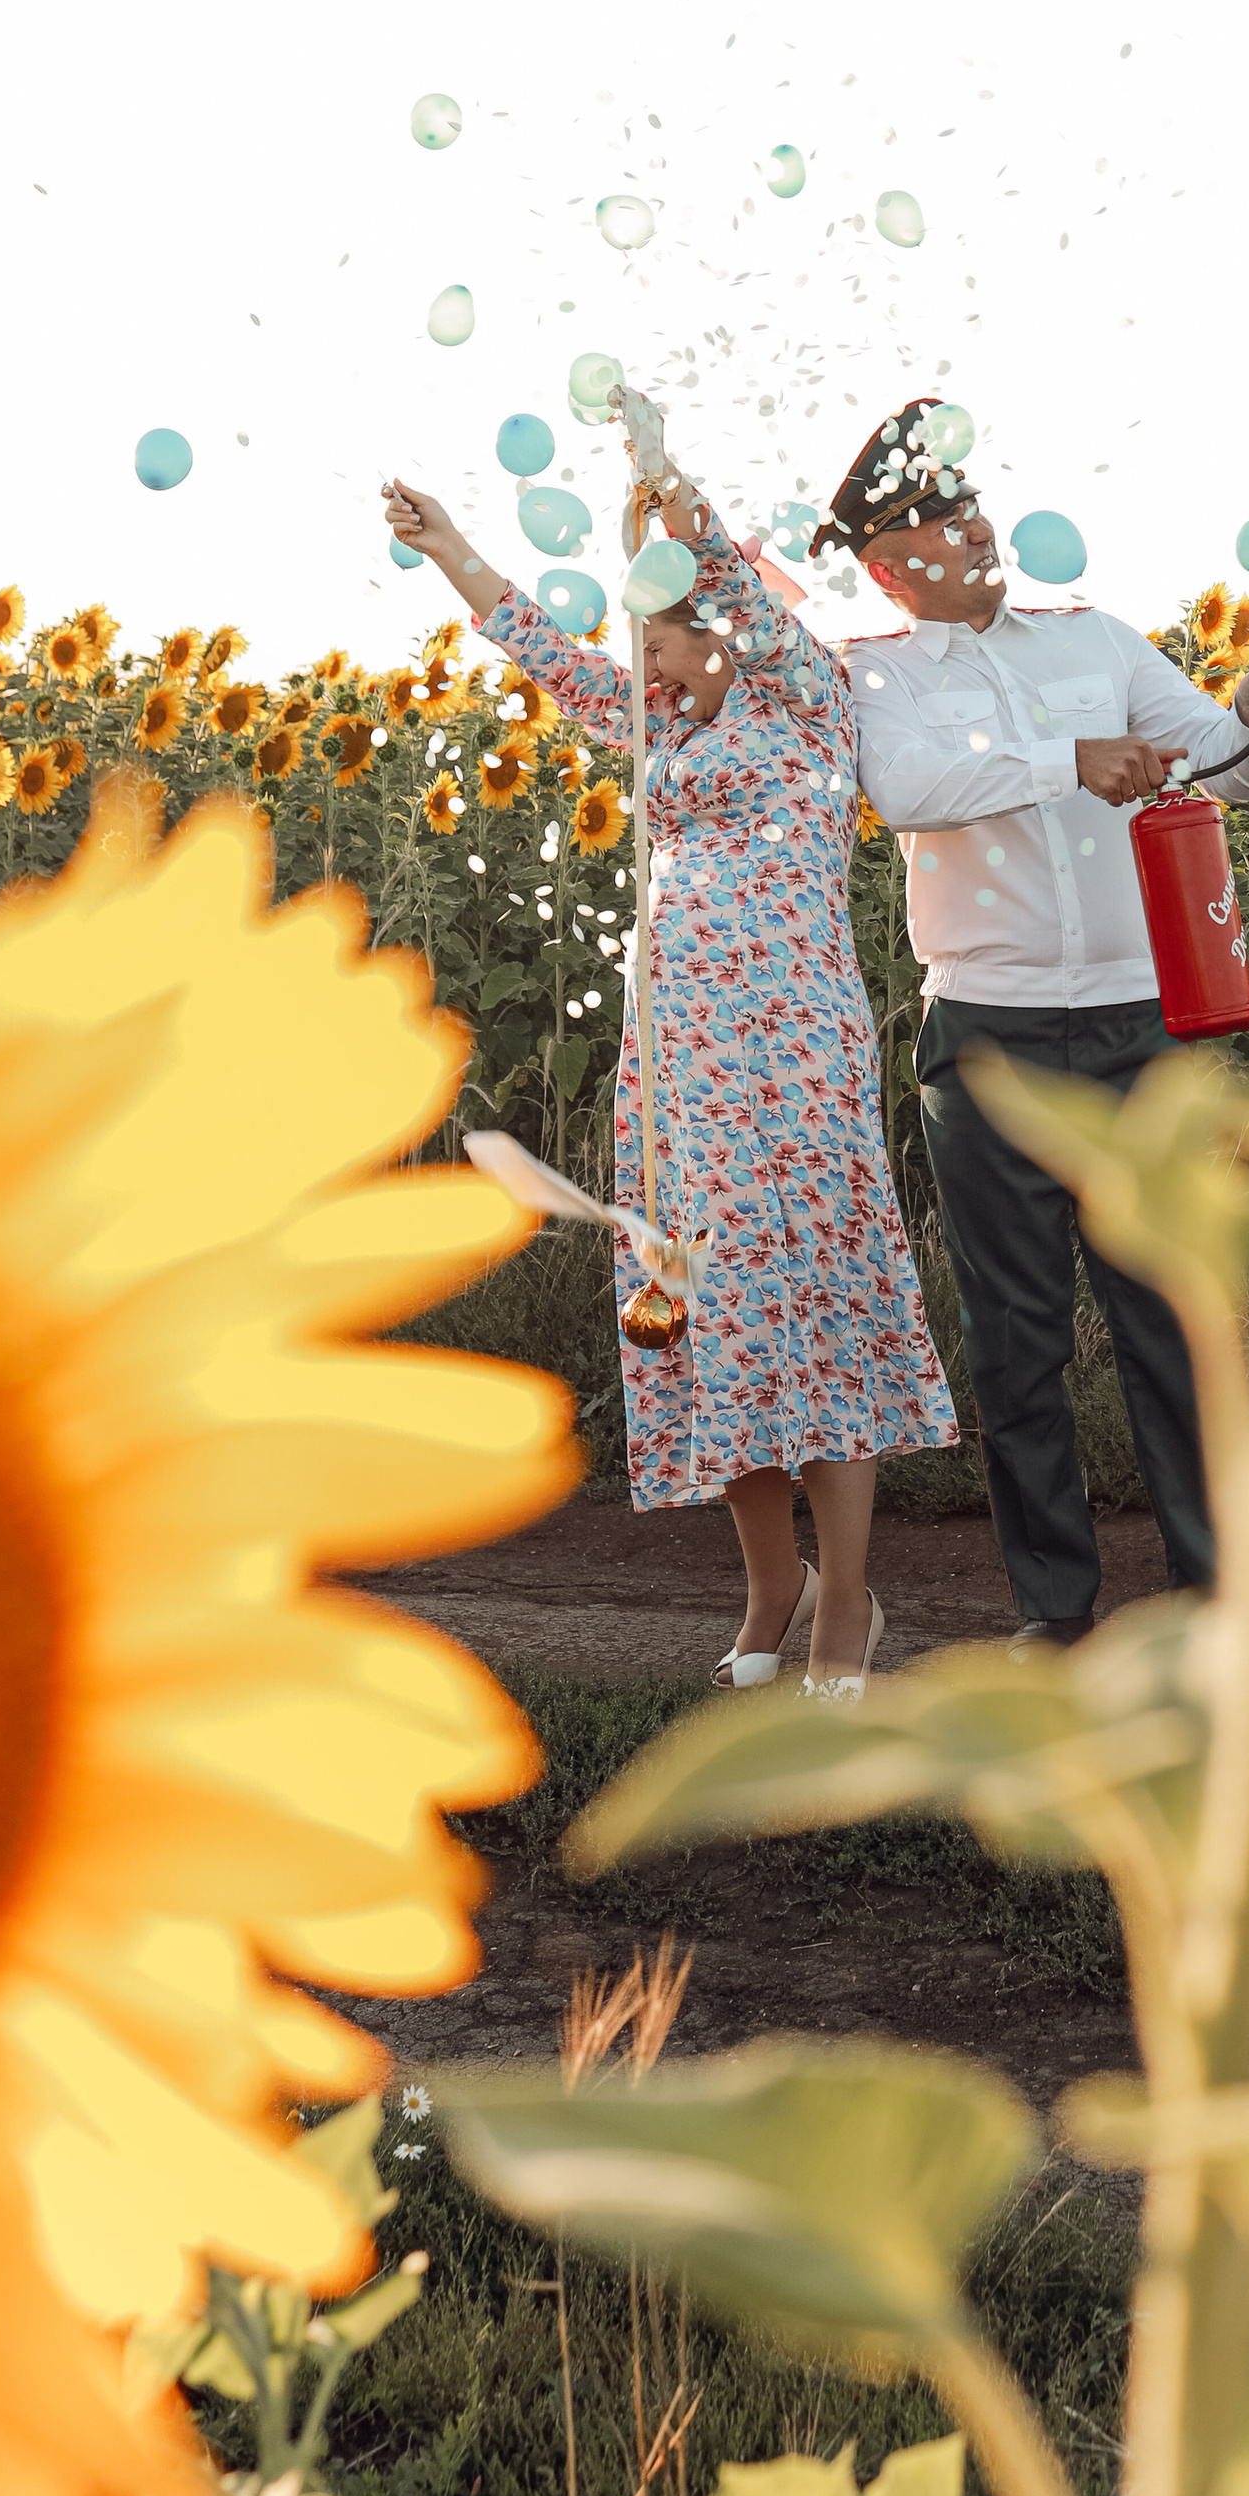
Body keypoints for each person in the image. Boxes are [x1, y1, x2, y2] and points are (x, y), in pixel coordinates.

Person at [380, 446, 954, 1697]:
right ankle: (769, 1584)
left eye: (660, 639)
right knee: (698, 1293)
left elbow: (742, 595)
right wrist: (447, 546)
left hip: (793, 1042)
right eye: (637, 651)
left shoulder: (808, 694)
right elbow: (535, 644)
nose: (639, 666)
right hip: (681, 1054)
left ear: (721, 630)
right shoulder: (648, 719)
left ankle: (848, 1595)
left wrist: (661, 469)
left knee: (811, 1285)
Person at [826, 399, 1249, 1644]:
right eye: (936, 519)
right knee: (1016, 1343)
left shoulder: (1093, 639)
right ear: (886, 564)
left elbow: (1226, 766)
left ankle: (1217, 1600)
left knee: (1169, 1318)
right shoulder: (871, 674)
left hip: (1140, 1028)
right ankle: (1057, 1615)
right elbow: (907, 792)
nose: (972, 526)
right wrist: (1067, 762)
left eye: (969, 502)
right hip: (988, 1039)